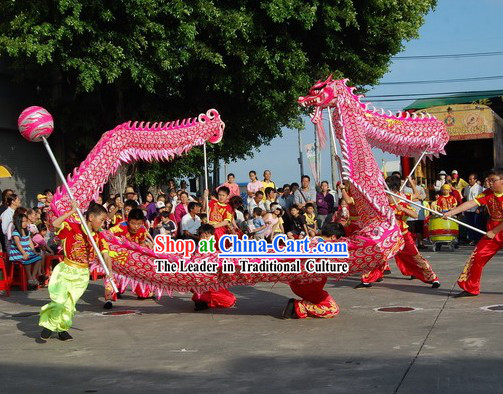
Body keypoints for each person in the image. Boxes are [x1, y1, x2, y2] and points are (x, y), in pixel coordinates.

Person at [39, 202, 112, 341]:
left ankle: (62, 329)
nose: (103, 223)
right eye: (101, 220)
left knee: (69, 305)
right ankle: (49, 325)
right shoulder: (72, 228)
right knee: (59, 300)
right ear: (91, 217)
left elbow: (106, 255)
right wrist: (71, 211)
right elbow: (54, 225)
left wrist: (110, 270)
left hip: (82, 274)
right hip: (66, 269)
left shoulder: (99, 236)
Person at [356, 176, 440, 289]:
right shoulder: (381, 202)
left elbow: (415, 214)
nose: (385, 195)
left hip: (403, 234)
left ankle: (432, 278)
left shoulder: (402, 200)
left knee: (415, 256)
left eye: (388, 193)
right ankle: (367, 279)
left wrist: (403, 209)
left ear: (394, 190)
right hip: (387, 235)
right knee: (378, 255)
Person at [444, 169, 503, 298]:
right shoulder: (487, 193)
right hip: (492, 232)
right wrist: (451, 213)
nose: (490, 183)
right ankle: (471, 288)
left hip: (496, 230)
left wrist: (494, 231)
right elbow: (471, 203)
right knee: (477, 257)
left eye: (493, 180)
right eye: (489, 180)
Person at [282, 222, 345, 319]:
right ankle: (297, 306)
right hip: (310, 287)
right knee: (332, 309)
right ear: (333, 237)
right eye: (339, 240)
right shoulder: (325, 247)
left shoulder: (311, 240)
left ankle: (300, 305)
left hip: (298, 283)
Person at [107, 208, 150, 305]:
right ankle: (112, 293)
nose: (136, 227)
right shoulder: (120, 227)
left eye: (139, 224)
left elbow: (142, 243)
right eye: (133, 223)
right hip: (119, 257)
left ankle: (142, 292)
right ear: (128, 221)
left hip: (133, 257)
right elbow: (106, 235)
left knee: (141, 274)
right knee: (115, 276)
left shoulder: (143, 230)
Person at [191, 224, 237, 310]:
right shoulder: (199, 249)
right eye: (202, 236)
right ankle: (201, 299)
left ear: (212, 236)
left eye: (207, 236)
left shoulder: (212, 248)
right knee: (229, 301)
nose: (205, 238)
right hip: (203, 280)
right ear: (199, 236)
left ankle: (202, 299)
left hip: (212, 281)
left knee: (231, 299)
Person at [9, 213, 43, 289]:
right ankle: (29, 278)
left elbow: (30, 241)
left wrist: (34, 251)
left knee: (39, 257)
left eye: (26, 221)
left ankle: (33, 276)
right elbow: (18, 245)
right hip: (18, 253)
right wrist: (24, 253)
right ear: (18, 222)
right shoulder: (15, 233)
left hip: (27, 252)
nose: (25, 223)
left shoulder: (27, 231)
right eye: (23, 222)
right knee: (27, 259)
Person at [463, 173, 485, 244]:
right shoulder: (466, 188)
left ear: (475, 180)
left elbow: (482, 199)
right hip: (468, 210)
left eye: (471, 179)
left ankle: (478, 239)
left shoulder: (479, 188)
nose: (470, 181)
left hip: (476, 210)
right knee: (470, 225)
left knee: (477, 225)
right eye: (469, 179)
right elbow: (466, 197)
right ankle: (471, 239)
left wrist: (479, 208)